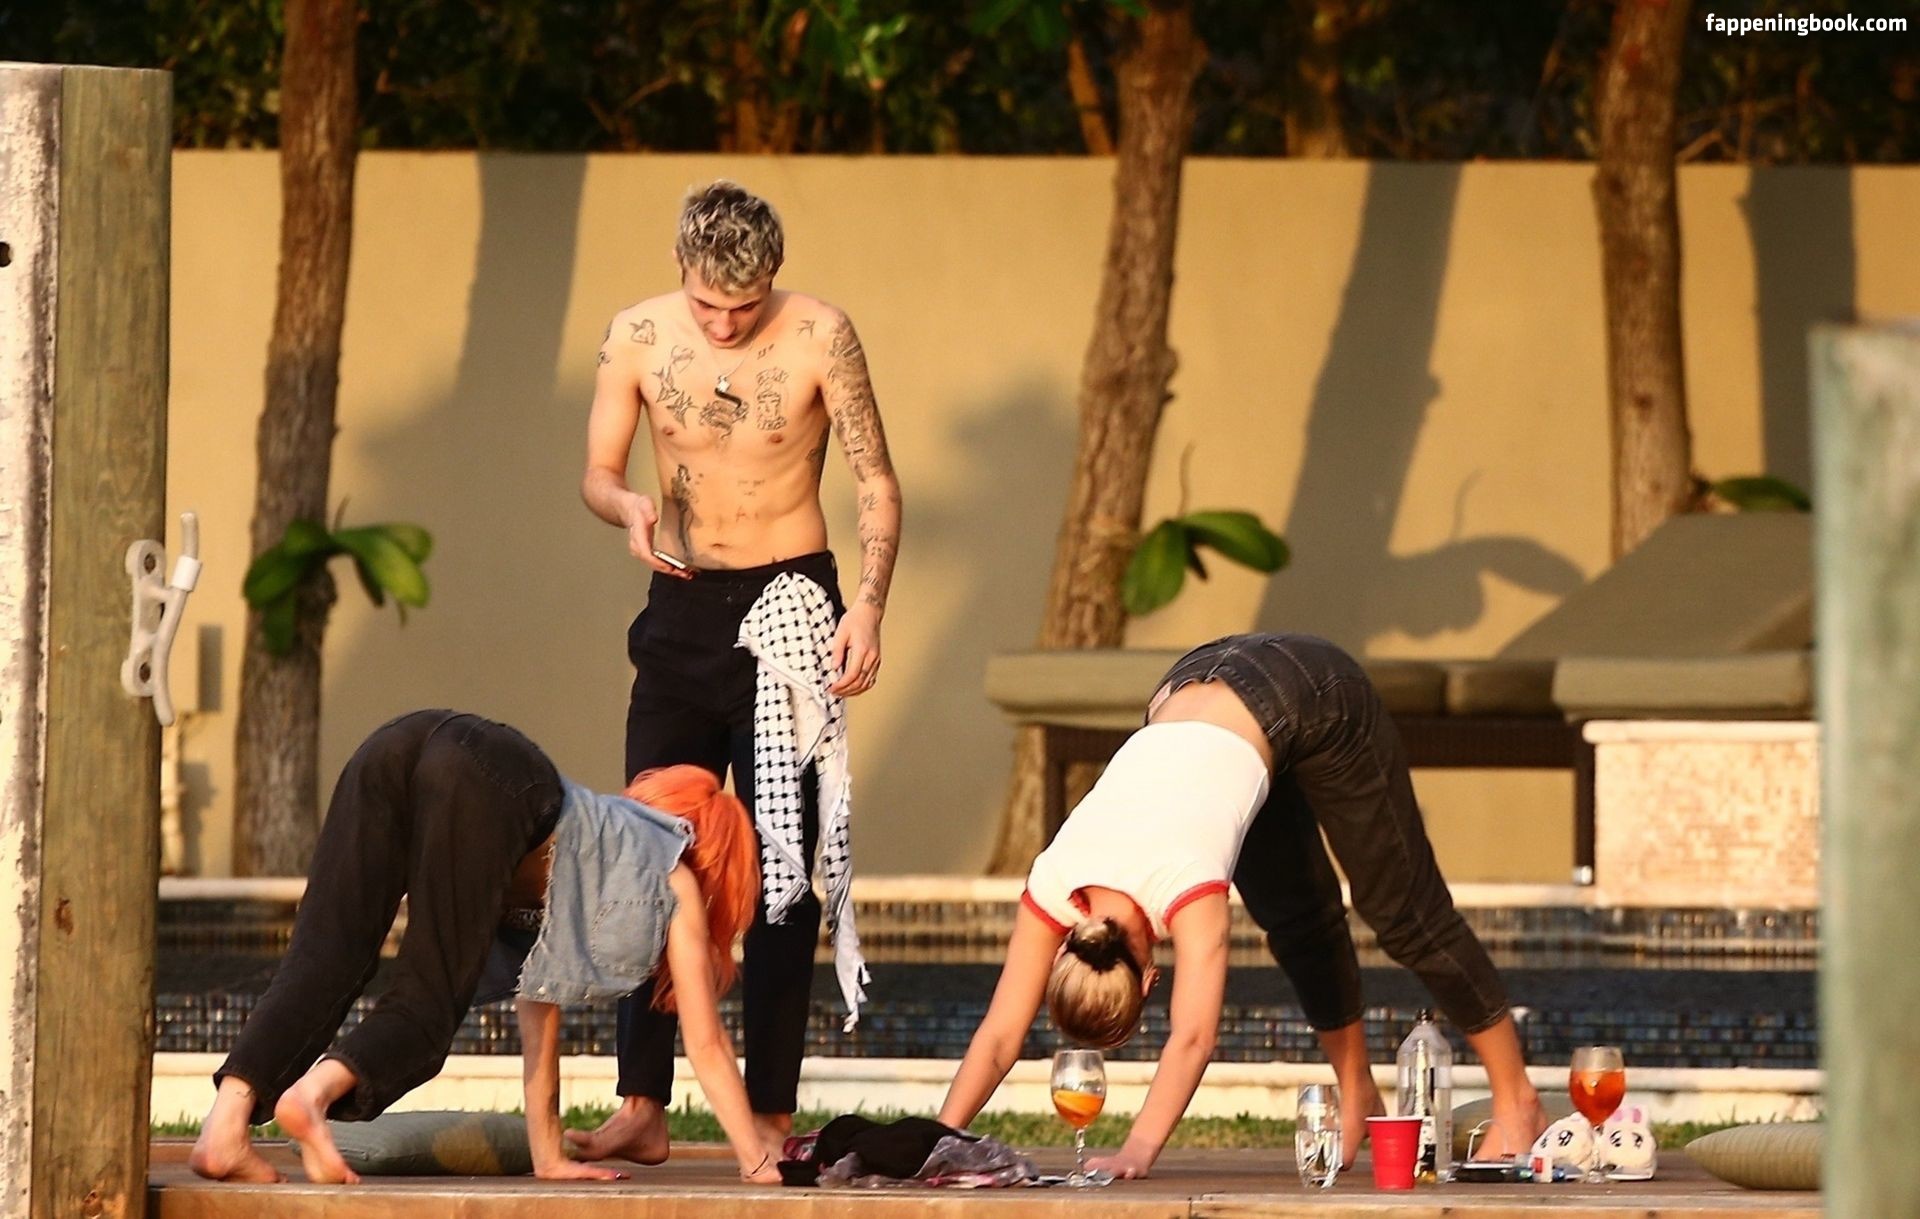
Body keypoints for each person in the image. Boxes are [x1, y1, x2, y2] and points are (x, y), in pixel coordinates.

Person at [937, 633, 1550, 1179]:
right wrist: (938, 1141)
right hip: (1193, 682)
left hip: (1312, 691)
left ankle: (1516, 1099)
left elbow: (1193, 1039)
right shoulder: (1052, 881)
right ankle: (1357, 1090)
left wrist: (1137, 1151)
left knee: (1405, 915)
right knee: (1298, 921)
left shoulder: (1186, 885)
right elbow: (998, 1036)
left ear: (1150, 980)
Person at [576, 179, 902, 1163]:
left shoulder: (821, 335)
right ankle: (642, 1101)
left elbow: (875, 479)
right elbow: (598, 471)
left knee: (782, 873)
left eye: (745, 305)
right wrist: (627, 507)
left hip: (792, 604)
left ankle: (769, 1108)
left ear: (774, 280)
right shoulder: (636, 335)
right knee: (646, 849)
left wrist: (868, 605)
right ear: (681, 270)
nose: (725, 324)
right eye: (709, 305)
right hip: (680, 609)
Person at [187, 710, 783, 1186]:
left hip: (401, 740)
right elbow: (706, 1043)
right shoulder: (672, 873)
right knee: (428, 1001)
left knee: (324, 957)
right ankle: (312, 1094)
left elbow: (538, 1008)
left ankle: (225, 1129)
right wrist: (757, 1161)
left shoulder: (590, 849)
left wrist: (548, 1157)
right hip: (491, 770)